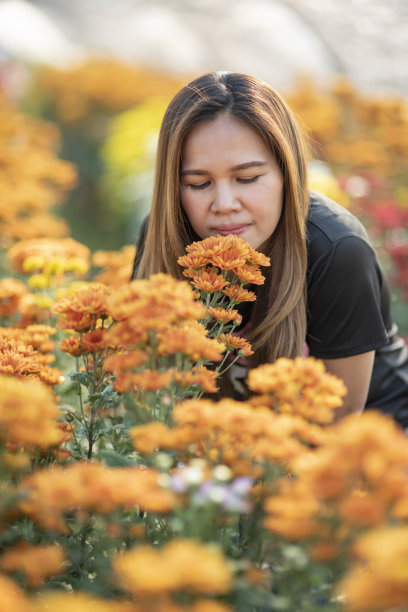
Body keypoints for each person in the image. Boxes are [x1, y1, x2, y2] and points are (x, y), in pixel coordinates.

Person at [131, 71, 408, 426]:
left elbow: (340, 416)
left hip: (369, 441)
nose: (225, 203)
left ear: (286, 173)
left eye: (247, 178)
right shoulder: (164, 235)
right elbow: (147, 387)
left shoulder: (337, 250)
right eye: (199, 184)